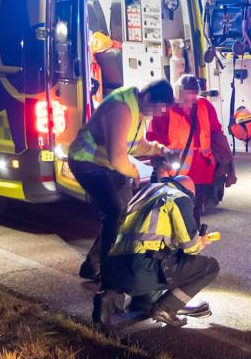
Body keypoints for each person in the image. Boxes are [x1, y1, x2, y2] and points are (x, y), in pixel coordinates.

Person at [69, 81, 174, 282]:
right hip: (86, 161)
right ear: (149, 97)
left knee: (127, 212)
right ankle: (108, 272)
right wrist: (134, 172)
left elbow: (135, 145)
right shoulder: (120, 108)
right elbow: (117, 157)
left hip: (106, 164)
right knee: (115, 210)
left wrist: (159, 149)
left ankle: (93, 264)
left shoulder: (139, 111)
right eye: (158, 109)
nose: (157, 115)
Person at [93, 175, 220, 330]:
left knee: (147, 301)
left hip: (115, 268)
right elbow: (191, 246)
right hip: (143, 268)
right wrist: (202, 241)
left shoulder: (145, 193)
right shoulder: (179, 198)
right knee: (210, 267)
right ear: (189, 192)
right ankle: (166, 308)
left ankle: (111, 298)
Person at [146, 75, 236, 226]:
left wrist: (226, 163)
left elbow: (216, 133)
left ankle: (191, 244)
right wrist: (160, 168)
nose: (189, 106)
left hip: (202, 171)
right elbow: (153, 139)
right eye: (185, 101)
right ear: (176, 95)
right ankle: (180, 245)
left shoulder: (205, 106)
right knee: (173, 213)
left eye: (192, 101)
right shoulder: (164, 111)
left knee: (194, 213)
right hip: (174, 173)